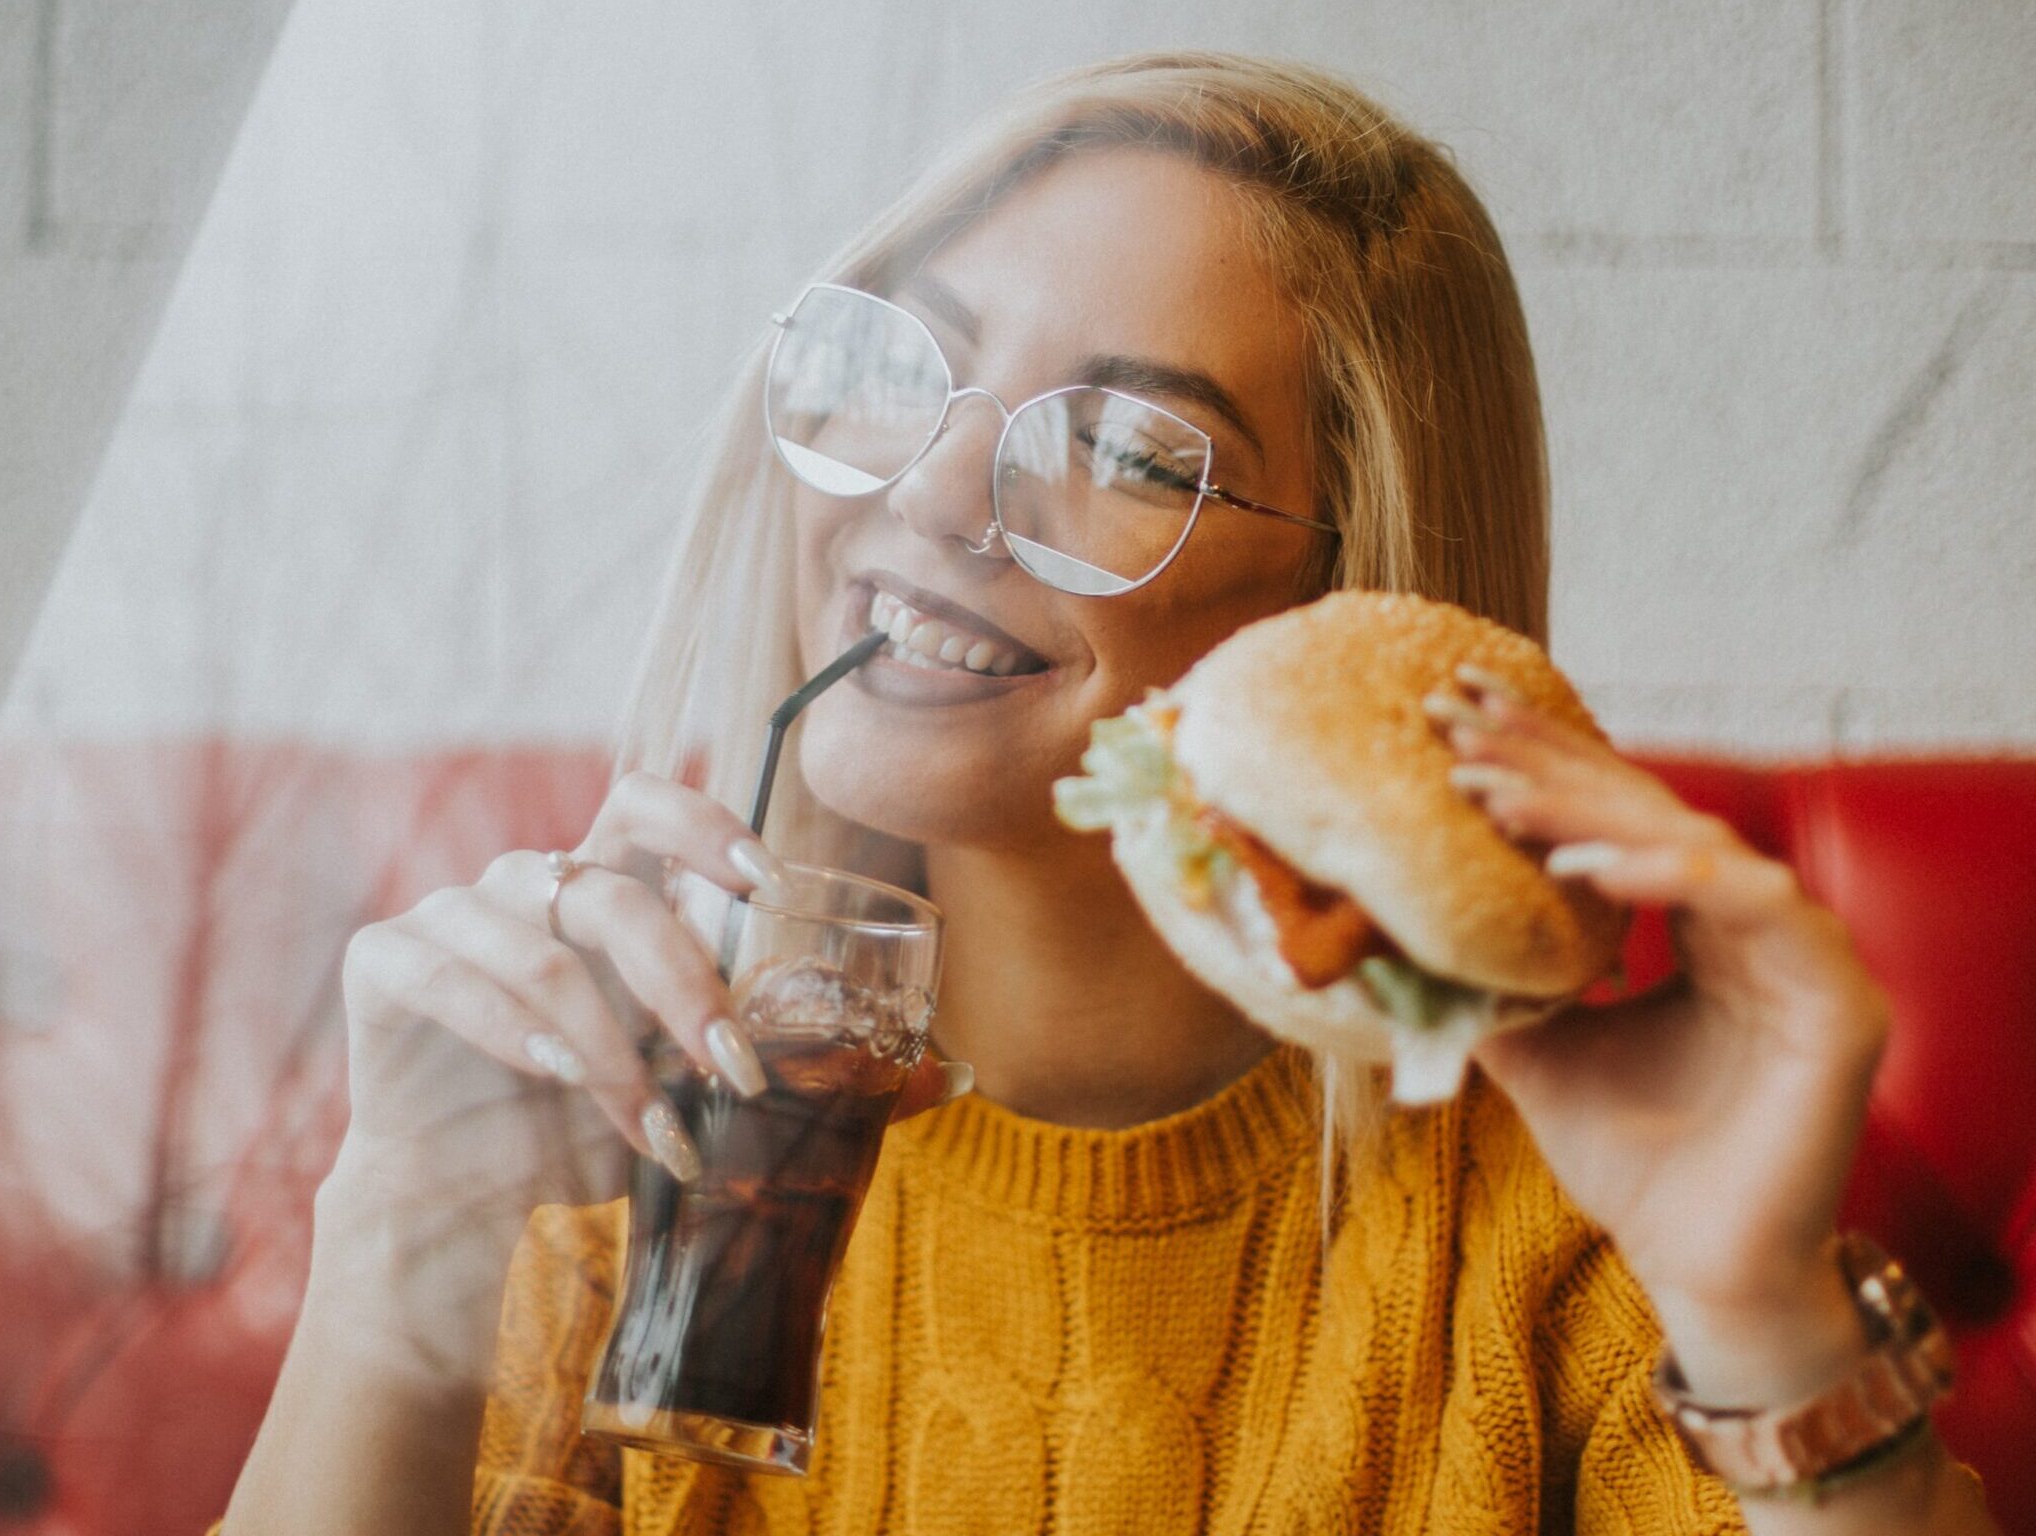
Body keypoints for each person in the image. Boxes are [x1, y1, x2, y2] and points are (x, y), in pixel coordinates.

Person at [220, 51, 1998, 1535]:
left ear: (1349, 598)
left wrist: (1765, 1316)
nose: (923, 498)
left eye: (1132, 451)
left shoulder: (1569, 1235)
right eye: (913, 367)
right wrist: (392, 1255)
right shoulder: (616, 1120)